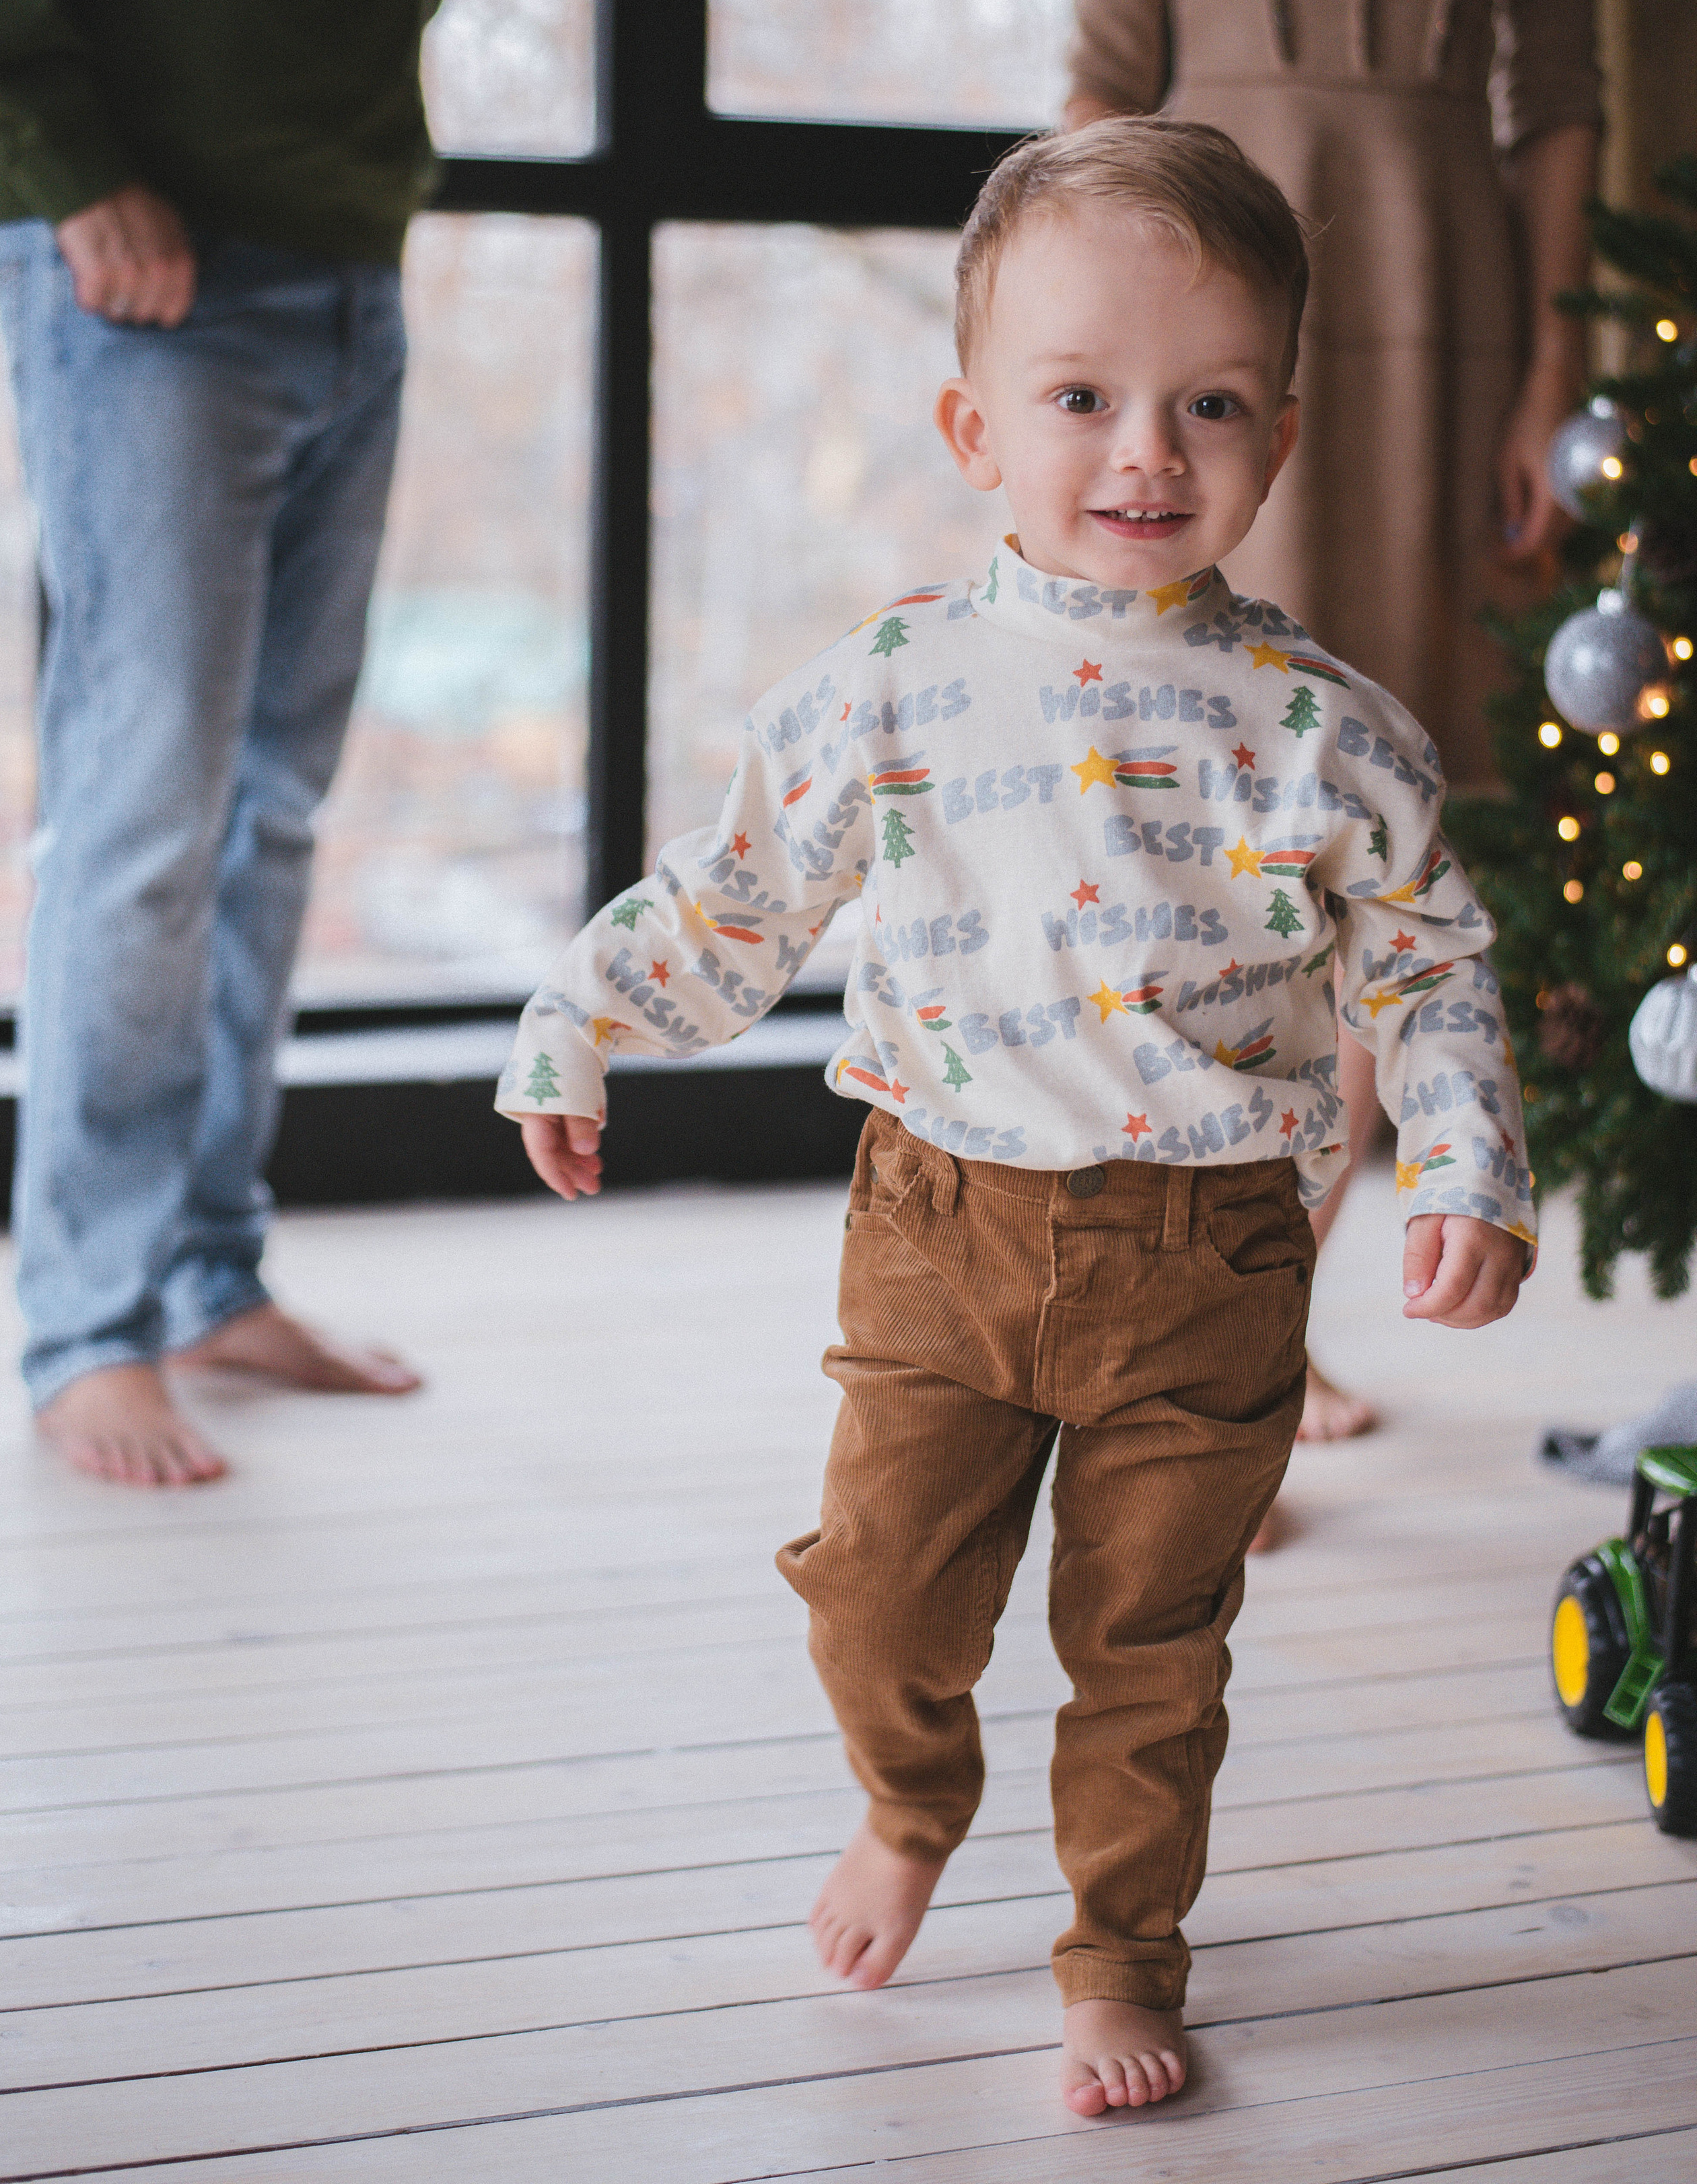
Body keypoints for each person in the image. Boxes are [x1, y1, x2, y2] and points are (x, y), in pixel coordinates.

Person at [497, 121, 1534, 2116]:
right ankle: (910, 1794)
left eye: (1209, 403)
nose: (1148, 450)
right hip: (943, 1223)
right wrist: (580, 1019)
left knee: (1154, 1642)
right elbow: (735, 888)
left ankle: (1121, 1945)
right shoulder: (889, 685)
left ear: (1281, 438)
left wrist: (1468, 1162)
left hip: (1210, 1254)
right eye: (1084, 399)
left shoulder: (1321, 728)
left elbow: (1428, 965)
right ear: (978, 427)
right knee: (882, 1586)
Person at [1066, 0, 1601, 1450]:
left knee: (1383, 824)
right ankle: (1179, 1341)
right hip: (1215, 319)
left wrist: (1546, 376)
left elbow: (1556, 101)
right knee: (1206, 824)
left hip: (1450, 306)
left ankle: (1260, 1329)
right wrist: (1105, 376)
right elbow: (1097, 75)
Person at [0, 0, 490, 1485]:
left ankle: (205, 1270)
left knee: (273, 801)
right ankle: (88, 1324)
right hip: (140, 257)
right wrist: (58, 159)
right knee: (144, 808)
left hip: (347, 242)